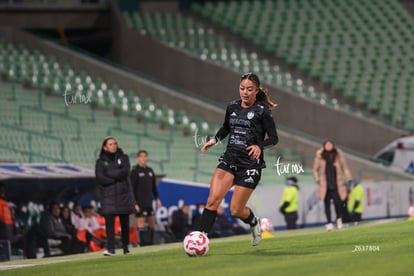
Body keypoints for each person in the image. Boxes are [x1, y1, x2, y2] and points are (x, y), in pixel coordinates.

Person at [197, 72, 279, 246]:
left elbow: (274, 138)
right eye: (242, 88)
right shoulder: (232, 106)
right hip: (229, 160)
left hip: (250, 165)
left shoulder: (263, 111)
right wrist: (213, 140)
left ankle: (253, 222)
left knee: (235, 210)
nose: (245, 92)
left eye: (250, 89)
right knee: (212, 200)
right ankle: (200, 238)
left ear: (256, 91)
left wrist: (259, 146)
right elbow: (226, 128)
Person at [95, 136, 135, 256]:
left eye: (115, 143)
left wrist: (110, 173)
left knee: (125, 224)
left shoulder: (123, 158)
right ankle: (111, 249)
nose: (113, 146)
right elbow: (101, 178)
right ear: (105, 147)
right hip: (108, 197)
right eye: (110, 144)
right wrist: (117, 177)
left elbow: (125, 172)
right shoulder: (100, 162)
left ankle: (126, 247)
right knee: (109, 225)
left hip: (123, 196)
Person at [313, 139, 352, 231]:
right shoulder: (320, 156)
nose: (329, 146)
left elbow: (345, 167)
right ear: (324, 146)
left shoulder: (338, 155)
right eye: (327, 145)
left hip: (337, 184)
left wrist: (349, 178)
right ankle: (329, 222)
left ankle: (338, 219)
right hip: (325, 185)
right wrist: (317, 179)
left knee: (338, 203)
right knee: (326, 204)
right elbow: (315, 169)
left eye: (330, 144)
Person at [130, 150, 162, 246]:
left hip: (149, 201)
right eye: (141, 156)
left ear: (147, 158)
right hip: (139, 202)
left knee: (152, 221)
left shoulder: (150, 171)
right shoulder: (135, 171)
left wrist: (157, 198)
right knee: (141, 221)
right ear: (138, 158)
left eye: (145, 156)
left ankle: (150, 242)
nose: (143, 158)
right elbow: (131, 188)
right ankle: (141, 243)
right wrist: (134, 203)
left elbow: (153, 187)